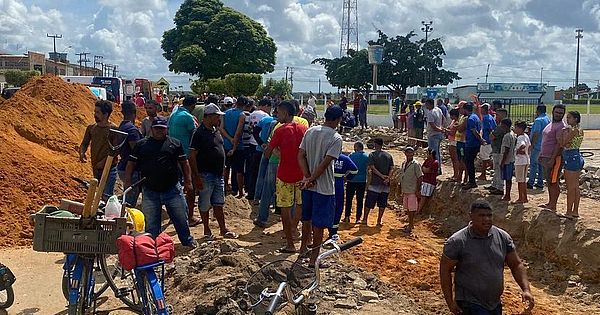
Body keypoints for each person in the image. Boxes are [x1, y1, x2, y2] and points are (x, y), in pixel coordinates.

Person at [440, 200, 534, 315]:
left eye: (489, 215)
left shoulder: (502, 237)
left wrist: (526, 289)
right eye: (481, 215)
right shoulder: (457, 241)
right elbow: (445, 270)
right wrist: (450, 302)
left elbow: (516, 264)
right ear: (471, 216)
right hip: (469, 303)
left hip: (494, 303)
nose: (486, 219)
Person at [124, 117, 196, 248]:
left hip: (172, 189)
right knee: (151, 223)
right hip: (150, 190)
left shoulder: (175, 144)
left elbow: (184, 163)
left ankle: (187, 241)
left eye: (162, 129)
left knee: (181, 218)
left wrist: (188, 181)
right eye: (156, 128)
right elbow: (131, 163)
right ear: (151, 129)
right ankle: (153, 247)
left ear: (166, 129)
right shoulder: (141, 145)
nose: (159, 131)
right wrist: (128, 181)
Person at [298, 105, 344, 265]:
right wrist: (312, 179)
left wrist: (307, 177)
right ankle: (313, 259)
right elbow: (325, 164)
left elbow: (301, 155)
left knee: (306, 219)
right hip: (323, 188)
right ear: (338, 120)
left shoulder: (310, 131)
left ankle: (303, 249)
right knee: (319, 225)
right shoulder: (336, 138)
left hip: (307, 185)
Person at [264, 100, 308, 253]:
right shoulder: (304, 129)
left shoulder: (280, 130)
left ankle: (290, 243)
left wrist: (275, 151)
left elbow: (268, 152)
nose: (277, 115)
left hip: (284, 175)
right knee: (301, 205)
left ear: (286, 113)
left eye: (279, 113)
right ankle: (296, 230)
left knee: (284, 207)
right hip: (302, 173)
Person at [189, 104, 238, 240]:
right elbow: (192, 155)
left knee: (218, 203)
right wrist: (196, 176)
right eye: (216, 116)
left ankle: (223, 229)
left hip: (217, 174)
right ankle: (206, 230)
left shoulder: (216, 131)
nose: (219, 119)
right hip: (205, 174)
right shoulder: (199, 133)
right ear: (208, 117)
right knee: (205, 204)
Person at [168, 95, 202, 227]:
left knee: (174, 185)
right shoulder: (188, 117)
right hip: (186, 156)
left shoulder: (173, 114)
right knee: (190, 185)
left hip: (172, 154)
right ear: (193, 105)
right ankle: (190, 216)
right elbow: (195, 135)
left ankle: (173, 215)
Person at [79, 100, 118, 200]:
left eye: (98, 112)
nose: (94, 115)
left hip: (109, 169)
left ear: (106, 114)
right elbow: (84, 144)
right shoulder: (91, 128)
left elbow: (115, 150)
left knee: (106, 196)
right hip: (96, 168)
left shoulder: (113, 129)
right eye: (94, 112)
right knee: (99, 196)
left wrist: (103, 162)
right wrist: (82, 153)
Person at [539, 105, 566, 212]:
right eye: (557, 112)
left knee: (554, 181)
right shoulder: (551, 124)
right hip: (545, 156)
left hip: (554, 158)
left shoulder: (561, 127)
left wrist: (552, 159)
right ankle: (550, 203)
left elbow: (559, 145)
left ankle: (553, 205)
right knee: (549, 181)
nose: (558, 114)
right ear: (553, 112)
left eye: (561, 113)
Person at [362, 138, 394, 226]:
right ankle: (379, 221)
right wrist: (388, 178)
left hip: (375, 183)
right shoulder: (388, 155)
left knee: (369, 202)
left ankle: (365, 219)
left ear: (375, 144)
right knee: (382, 204)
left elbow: (372, 168)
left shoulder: (372, 155)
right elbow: (391, 168)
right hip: (386, 184)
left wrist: (381, 176)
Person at [220, 96, 247, 198]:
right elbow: (238, 132)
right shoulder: (242, 115)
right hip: (238, 146)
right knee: (239, 171)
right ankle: (240, 192)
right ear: (244, 105)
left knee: (226, 167)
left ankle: (225, 188)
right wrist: (234, 145)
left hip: (225, 144)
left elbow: (221, 128)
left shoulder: (226, 113)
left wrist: (229, 138)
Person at [559, 111, 584, 219]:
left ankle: (569, 211)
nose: (567, 120)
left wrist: (563, 133)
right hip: (577, 156)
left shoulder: (572, 131)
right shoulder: (580, 130)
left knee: (570, 187)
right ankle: (575, 211)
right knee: (575, 186)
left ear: (575, 119)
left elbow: (563, 143)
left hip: (570, 157)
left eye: (569, 118)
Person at [117, 100, 142, 206]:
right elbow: (136, 151)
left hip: (123, 166)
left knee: (128, 196)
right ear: (134, 113)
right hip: (131, 170)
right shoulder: (132, 130)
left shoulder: (122, 127)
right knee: (130, 202)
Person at [329, 152, 358, 237]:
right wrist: (347, 178)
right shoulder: (344, 158)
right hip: (338, 183)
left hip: (325, 182)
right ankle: (333, 233)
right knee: (337, 207)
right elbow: (355, 170)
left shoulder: (326, 156)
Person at [251, 98, 273, 206]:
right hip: (273, 153)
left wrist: (261, 143)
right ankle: (272, 201)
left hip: (260, 150)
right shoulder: (276, 122)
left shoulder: (265, 120)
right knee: (271, 179)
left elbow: (255, 132)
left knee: (260, 175)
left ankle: (256, 197)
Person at [399, 146, 423, 234]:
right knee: (408, 208)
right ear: (405, 153)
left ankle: (410, 225)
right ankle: (410, 224)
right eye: (407, 152)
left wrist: (418, 189)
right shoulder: (404, 163)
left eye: (411, 152)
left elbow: (420, 177)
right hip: (406, 189)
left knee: (411, 209)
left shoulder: (416, 164)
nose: (409, 154)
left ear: (413, 153)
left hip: (412, 190)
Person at [344, 142, 369, 224]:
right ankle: (358, 218)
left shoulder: (351, 156)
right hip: (362, 181)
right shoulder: (367, 157)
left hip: (351, 180)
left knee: (349, 199)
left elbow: (347, 168)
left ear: (356, 148)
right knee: (360, 200)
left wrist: (345, 177)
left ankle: (347, 217)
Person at [527, 105, 551, 189]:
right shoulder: (547, 119)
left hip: (537, 145)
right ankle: (540, 182)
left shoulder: (538, 120)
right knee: (541, 165)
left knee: (533, 164)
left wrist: (532, 145)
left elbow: (536, 133)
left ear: (537, 111)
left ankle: (531, 182)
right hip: (544, 146)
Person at [462, 102, 485, 190]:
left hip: (471, 143)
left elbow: (475, 132)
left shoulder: (470, 119)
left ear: (465, 109)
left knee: (469, 162)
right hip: (474, 143)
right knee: (469, 162)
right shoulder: (476, 117)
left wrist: (481, 140)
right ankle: (471, 181)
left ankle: (472, 182)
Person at [487, 108, 509, 196]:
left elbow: (492, 136)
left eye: (498, 115)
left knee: (499, 169)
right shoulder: (499, 125)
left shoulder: (501, 127)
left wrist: (492, 133)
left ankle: (499, 187)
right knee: (496, 169)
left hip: (499, 151)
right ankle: (495, 185)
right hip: (496, 150)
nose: (496, 117)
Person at [425, 98, 444, 173]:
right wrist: (441, 127)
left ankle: (435, 169)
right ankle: (439, 168)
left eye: (427, 104)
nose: (426, 106)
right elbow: (443, 118)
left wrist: (440, 129)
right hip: (438, 134)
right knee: (438, 152)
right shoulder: (438, 110)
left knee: (433, 153)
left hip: (433, 135)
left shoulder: (430, 113)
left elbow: (432, 125)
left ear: (430, 104)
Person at [514, 121, 531, 204]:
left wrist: (518, 151)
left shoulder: (520, 137)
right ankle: (525, 197)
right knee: (523, 180)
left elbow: (523, 145)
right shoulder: (526, 136)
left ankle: (521, 198)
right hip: (526, 160)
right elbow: (529, 146)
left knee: (520, 181)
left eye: (516, 127)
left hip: (520, 161)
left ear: (520, 129)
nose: (514, 129)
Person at [500, 119, 516, 201]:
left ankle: (507, 195)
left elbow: (506, 150)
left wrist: (502, 162)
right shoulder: (512, 134)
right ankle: (507, 194)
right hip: (511, 159)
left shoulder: (507, 136)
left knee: (507, 178)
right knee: (508, 179)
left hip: (507, 161)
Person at [479, 104, 496, 181]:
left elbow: (489, 129)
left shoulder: (486, 118)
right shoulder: (491, 117)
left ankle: (484, 174)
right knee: (485, 157)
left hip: (486, 140)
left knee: (484, 158)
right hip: (489, 141)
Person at [418, 149, 439, 213]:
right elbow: (423, 169)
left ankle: (418, 211)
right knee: (420, 195)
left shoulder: (435, 162)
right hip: (425, 180)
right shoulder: (428, 160)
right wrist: (425, 169)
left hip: (429, 182)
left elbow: (427, 170)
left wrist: (425, 169)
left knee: (423, 196)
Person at [454, 102, 468, 183]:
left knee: (463, 160)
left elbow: (460, 128)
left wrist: (457, 127)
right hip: (459, 141)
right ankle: (460, 176)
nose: (459, 111)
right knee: (460, 159)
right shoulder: (462, 117)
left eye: (460, 109)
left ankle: (465, 177)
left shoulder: (467, 118)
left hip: (463, 142)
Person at [447, 109, 460, 182]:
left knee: (455, 159)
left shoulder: (457, 122)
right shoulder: (453, 121)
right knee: (453, 159)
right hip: (451, 141)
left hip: (454, 141)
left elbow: (452, 133)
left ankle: (456, 175)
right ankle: (455, 174)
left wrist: (445, 130)